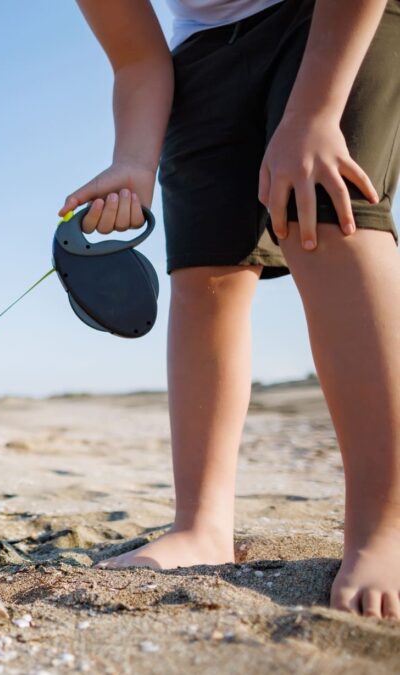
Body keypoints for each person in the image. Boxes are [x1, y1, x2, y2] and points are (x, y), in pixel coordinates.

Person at [61, 0, 400, 619]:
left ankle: (385, 528)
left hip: (331, 18)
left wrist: (315, 112)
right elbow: (138, 59)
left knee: (324, 221)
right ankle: (201, 525)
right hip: (206, 53)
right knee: (204, 273)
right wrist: (133, 162)